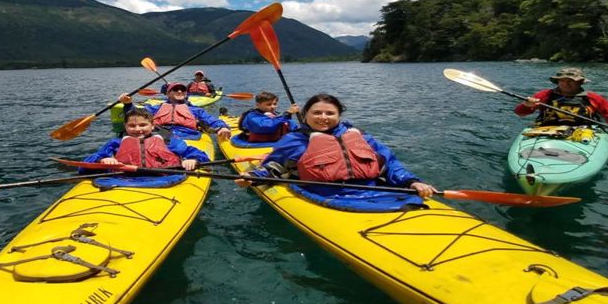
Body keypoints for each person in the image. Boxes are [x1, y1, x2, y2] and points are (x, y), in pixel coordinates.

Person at [235, 93, 435, 200]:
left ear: (339, 116)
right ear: (306, 116)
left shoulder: (358, 136)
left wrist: (411, 182)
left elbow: (389, 162)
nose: (323, 117)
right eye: (317, 113)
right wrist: (252, 178)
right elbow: (273, 168)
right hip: (321, 194)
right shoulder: (294, 140)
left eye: (330, 113)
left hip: (374, 192)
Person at [515, 67, 608, 141]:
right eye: (562, 80)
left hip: (583, 134)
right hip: (546, 131)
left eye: (571, 80)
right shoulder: (545, 95)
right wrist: (527, 105)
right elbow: (520, 113)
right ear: (557, 81)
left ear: (580, 82)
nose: (566, 83)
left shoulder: (593, 98)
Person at [81, 108, 210, 172]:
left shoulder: (168, 141)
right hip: (121, 180)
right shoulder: (116, 144)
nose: (137, 129)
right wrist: (102, 160)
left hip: (165, 178)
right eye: (132, 126)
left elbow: (197, 154)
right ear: (125, 127)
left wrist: (194, 160)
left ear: (152, 126)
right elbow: (85, 165)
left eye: (143, 125)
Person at [121, 82, 232, 141]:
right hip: (159, 135)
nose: (179, 91)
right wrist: (128, 103)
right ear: (168, 94)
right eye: (175, 89)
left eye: (182, 90)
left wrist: (222, 126)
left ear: (186, 94)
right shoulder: (155, 108)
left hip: (188, 137)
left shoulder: (195, 110)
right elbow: (134, 114)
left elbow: (211, 120)